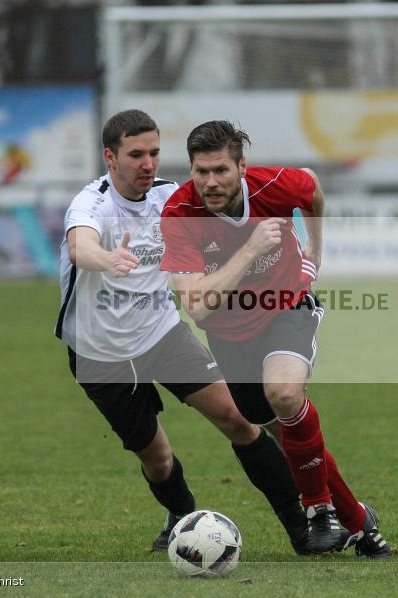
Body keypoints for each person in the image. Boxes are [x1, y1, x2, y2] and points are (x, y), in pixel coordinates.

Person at [54, 110, 313, 554]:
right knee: (156, 458)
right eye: (136, 155)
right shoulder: (92, 203)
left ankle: (302, 524)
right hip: (100, 354)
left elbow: (232, 213)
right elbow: (80, 246)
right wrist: (107, 259)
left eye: (154, 153)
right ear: (110, 157)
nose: (148, 164)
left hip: (162, 333)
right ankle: (181, 514)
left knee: (239, 419)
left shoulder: (173, 198)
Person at [160, 120, 393, 557]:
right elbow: (197, 305)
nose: (210, 182)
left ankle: (317, 510)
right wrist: (249, 250)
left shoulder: (277, 185)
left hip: (288, 305)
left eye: (220, 171)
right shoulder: (178, 215)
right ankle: (359, 519)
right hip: (229, 334)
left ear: (241, 167)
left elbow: (314, 191)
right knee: (286, 434)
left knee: (285, 395)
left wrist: (315, 252)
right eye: (200, 171)